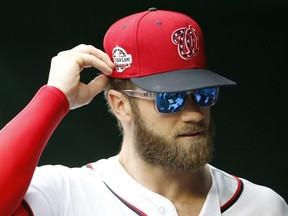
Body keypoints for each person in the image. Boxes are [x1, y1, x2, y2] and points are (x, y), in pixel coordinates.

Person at [0, 8, 287, 216]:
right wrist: (54, 98)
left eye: (204, 94)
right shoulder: (63, 196)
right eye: (170, 99)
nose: (194, 114)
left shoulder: (265, 206)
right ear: (120, 105)